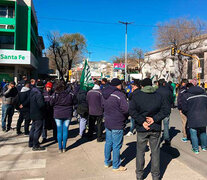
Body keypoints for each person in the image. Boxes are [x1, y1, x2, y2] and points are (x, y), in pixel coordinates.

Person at [129, 78, 169, 180]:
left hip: (142, 128)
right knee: (155, 152)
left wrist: (142, 121)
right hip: (155, 127)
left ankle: (139, 175)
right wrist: (154, 119)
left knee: (140, 152)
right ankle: (155, 176)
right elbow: (166, 110)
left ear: (142, 86)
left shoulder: (136, 96)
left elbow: (132, 111)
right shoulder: (158, 96)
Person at [102, 78, 128, 171]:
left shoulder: (105, 94)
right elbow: (126, 109)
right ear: (118, 85)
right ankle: (116, 165)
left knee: (108, 142)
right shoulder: (119, 95)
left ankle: (107, 162)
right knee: (116, 145)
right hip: (117, 122)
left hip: (108, 121)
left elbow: (102, 105)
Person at [182, 83, 207, 154]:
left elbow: (184, 108)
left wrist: (187, 113)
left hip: (192, 116)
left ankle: (196, 149)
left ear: (188, 88)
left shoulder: (186, 95)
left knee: (193, 132)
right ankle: (204, 147)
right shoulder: (204, 94)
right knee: (203, 132)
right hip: (203, 116)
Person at [50, 81, 75, 153]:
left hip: (57, 113)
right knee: (65, 130)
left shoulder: (55, 94)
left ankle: (60, 148)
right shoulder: (70, 94)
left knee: (59, 130)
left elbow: (51, 103)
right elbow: (75, 102)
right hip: (67, 113)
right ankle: (64, 147)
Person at [29, 81, 46, 151]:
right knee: (38, 129)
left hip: (32, 113)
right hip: (38, 114)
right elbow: (41, 105)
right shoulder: (39, 94)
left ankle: (31, 142)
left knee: (33, 128)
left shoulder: (32, 92)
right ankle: (35, 145)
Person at [156, 79, 173, 145]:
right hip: (166, 109)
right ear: (163, 84)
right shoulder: (168, 91)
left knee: (158, 124)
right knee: (166, 125)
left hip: (158, 110)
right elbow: (172, 100)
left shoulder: (156, 91)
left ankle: (157, 138)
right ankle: (167, 139)